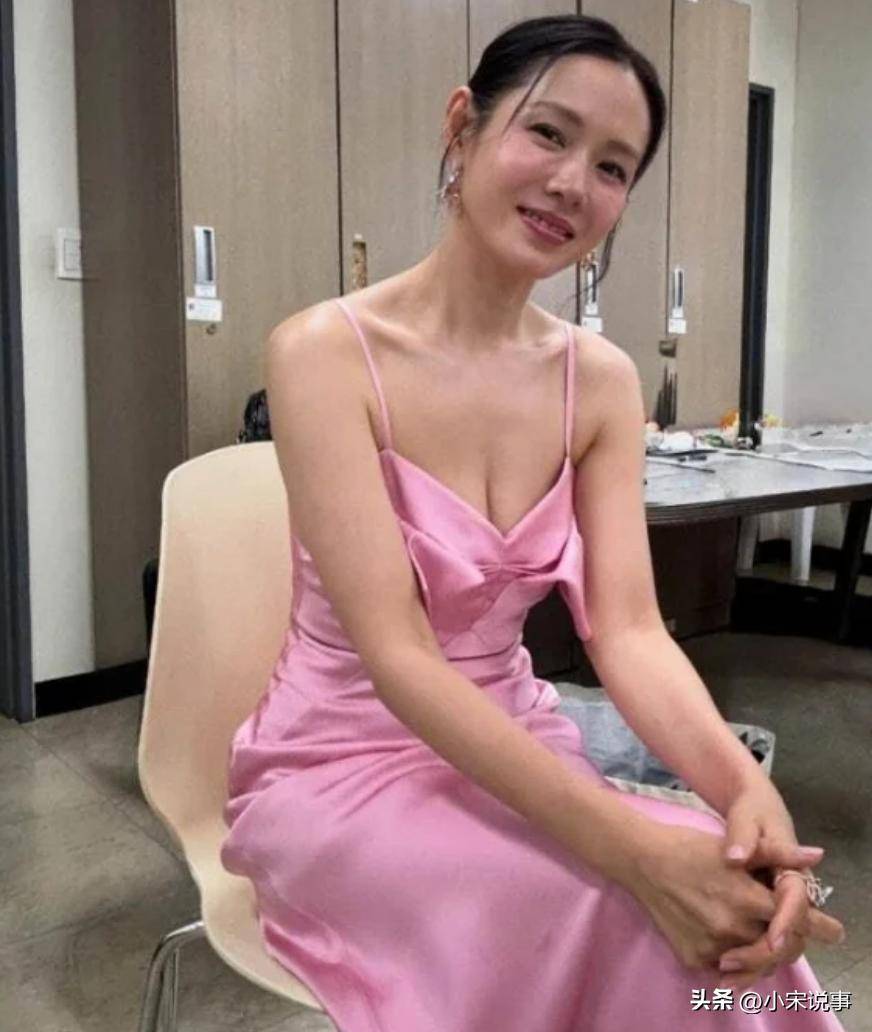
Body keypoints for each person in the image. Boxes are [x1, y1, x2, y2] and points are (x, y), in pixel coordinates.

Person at [221, 15, 847, 1031]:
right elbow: (398, 656)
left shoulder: (597, 381)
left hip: (517, 741)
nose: (570, 183)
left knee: (727, 913)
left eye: (611, 167)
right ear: (462, 125)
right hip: (338, 766)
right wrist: (632, 849)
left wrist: (742, 789)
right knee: (615, 900)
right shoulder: (321, 356)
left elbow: (628, 631)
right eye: (547, 133)